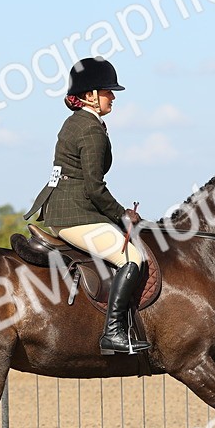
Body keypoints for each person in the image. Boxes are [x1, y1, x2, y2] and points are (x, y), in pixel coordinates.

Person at [24, 57, 148, 355]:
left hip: (64, 209)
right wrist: (122, 214)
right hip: (75, 213)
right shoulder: (90, 129)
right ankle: (114, 332)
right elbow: (94, 187)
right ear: (90, 94)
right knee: (133, 258)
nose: (113, 97)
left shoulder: (76, 122)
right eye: (108, 91)